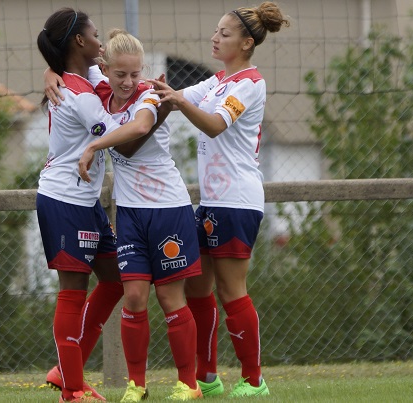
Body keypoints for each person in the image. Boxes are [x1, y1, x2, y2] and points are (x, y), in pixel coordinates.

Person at [147, 2, 290, 398]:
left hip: (237, 200)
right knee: (198, 288)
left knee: (232, 291)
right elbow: (174, 95)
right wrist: (134, 84)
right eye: (216, 31)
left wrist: (177, 101)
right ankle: (208, 378)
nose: (215, 37)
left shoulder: (249, 83)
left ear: (246, 43)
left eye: (224, 34)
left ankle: (253, 380)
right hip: (212, 201)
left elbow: (212, 123)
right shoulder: (216, 81)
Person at [35, 8, 170, 403]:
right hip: (64, 200)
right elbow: (126, 142)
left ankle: (66, 370)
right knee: (72, 291)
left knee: (113, 281)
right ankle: (72, 390)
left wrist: (49, 69)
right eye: (95, 35)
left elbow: (112, 79)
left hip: (85, 201)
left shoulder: (84, 76)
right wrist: (157, 112)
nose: (101, 41)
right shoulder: (79, 96)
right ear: (80, 41)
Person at [75, 29, 203, 402]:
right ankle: (136, 385)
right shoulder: (101, 91)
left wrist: (95, 143)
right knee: (132, 297)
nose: (129, 82)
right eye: (120, 75)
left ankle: (188, 384)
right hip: (129, 214)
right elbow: (74, 68)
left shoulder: (148, 95)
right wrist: (50, 74)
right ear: (106, 70)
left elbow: (142, 126)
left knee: (169, 299)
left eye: (135, 73)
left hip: (168, 209)